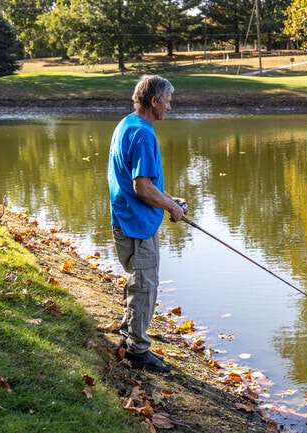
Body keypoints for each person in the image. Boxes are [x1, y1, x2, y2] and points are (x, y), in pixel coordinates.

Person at [108, 75, 186, 373]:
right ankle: (137, 352)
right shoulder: (143, 134)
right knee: (145, 287)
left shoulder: (127, 124)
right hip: (137, 225)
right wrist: (173, 209)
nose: (169, 106)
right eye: (167, 100)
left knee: (137, 283)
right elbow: (142, 187)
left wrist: (169, 200)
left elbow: (144, 183)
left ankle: (129, 338)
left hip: (127, 219)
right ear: (154, 101)